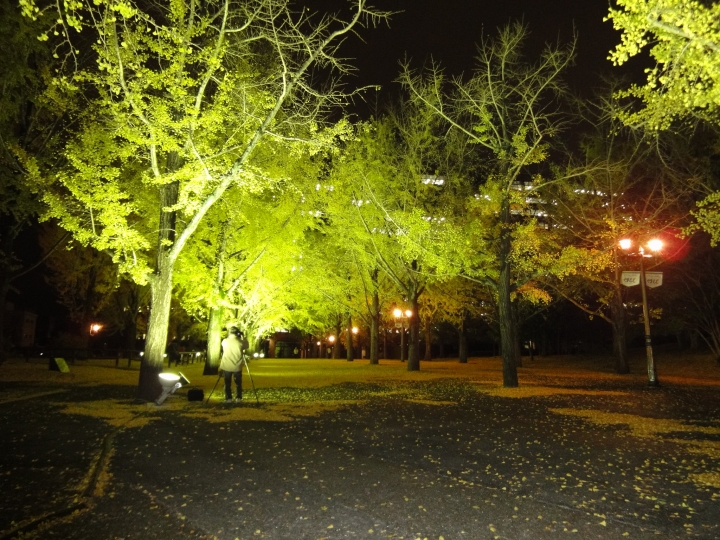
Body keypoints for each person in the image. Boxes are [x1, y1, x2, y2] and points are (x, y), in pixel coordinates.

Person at [220, 326, 247, 402]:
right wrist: (243, 337)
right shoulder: (240, 342)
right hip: (237, 365)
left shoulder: (225, 341)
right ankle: (239, 397)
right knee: (238, 383)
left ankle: (228, 398)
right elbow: (247, 345)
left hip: (226, 365)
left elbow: (223, 346)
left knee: (227, 382)